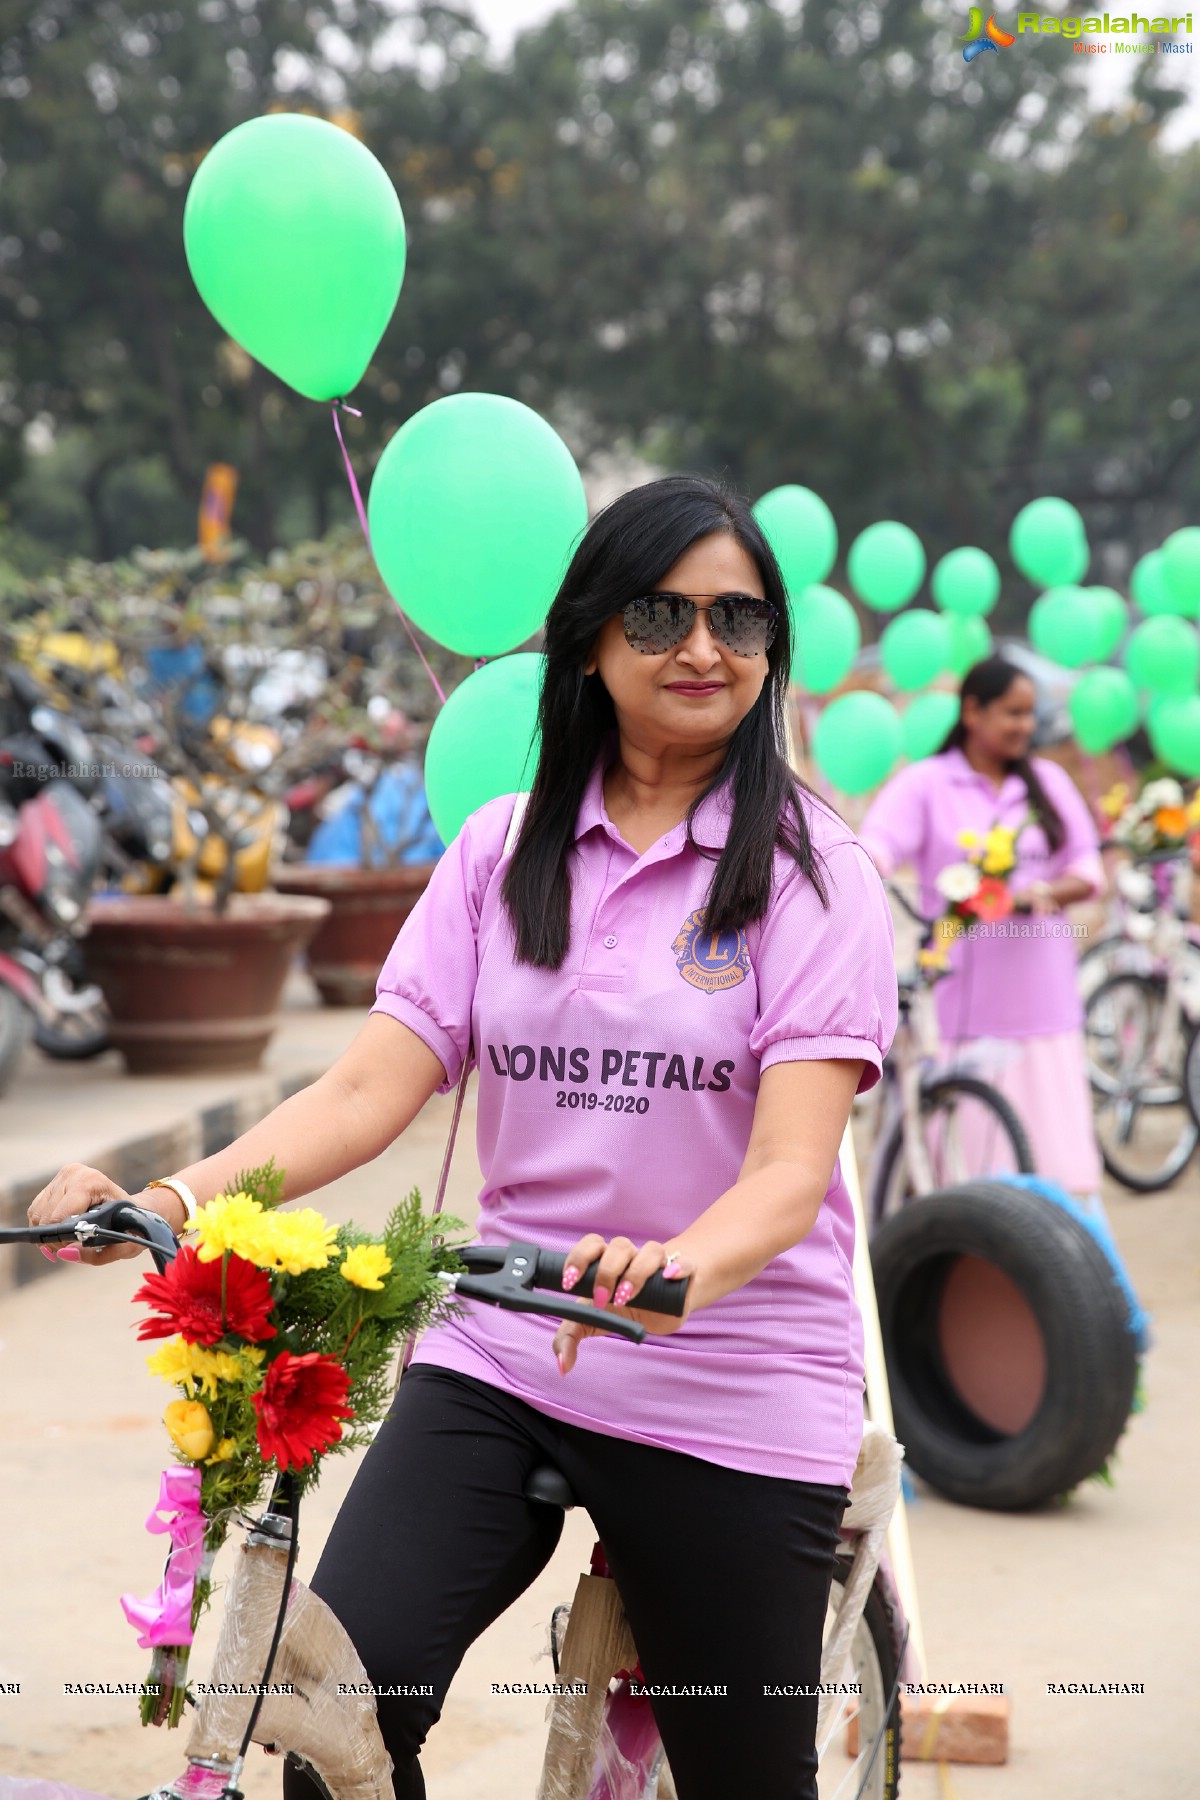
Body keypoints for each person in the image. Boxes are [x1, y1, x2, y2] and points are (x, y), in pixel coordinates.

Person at [31, 475, 897, 1800]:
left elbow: (789, 1173)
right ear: (595, 638)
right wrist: (167, 1198)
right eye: (664, 613)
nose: (704, 648)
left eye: (740, 617)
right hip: (501, 1347)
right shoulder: (500, 854)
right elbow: (368, 1091)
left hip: (731, 1377)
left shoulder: (813, 875)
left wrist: (676, 1269)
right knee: (332, 1732)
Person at [858, 653, 1106, 1203]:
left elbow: (1088, 868)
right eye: (1012, 713)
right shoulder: (926, 784)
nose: (1025, 725)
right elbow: (877, 845)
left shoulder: (1047, 781)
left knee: (1055, 1173)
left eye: (1029, 714)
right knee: (964, 1179)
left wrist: (1041, 893)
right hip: (958, 1015)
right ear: (972, 711)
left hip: (1044, 1009)